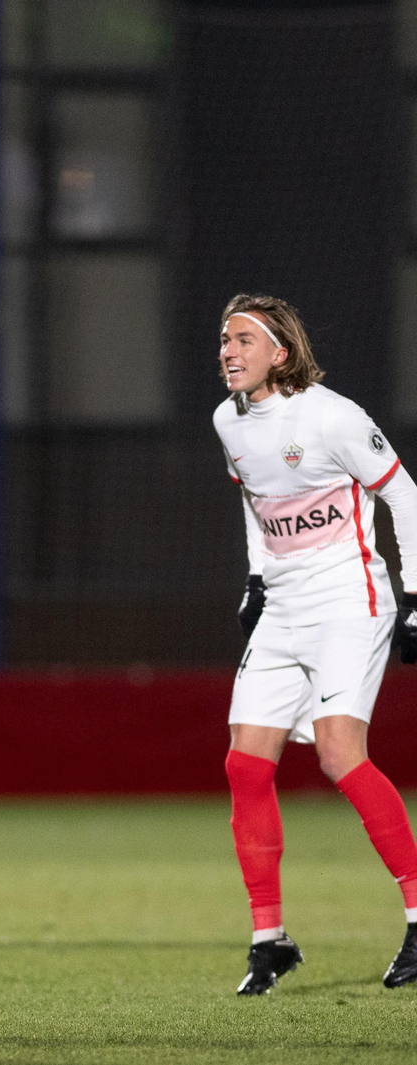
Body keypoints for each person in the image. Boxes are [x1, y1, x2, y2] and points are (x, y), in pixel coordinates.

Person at [214, 293, 417, 995]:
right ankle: (269, 940)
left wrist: (416, 596)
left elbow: (407, 496)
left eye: (243, 339)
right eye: (223, 340)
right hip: (286, 604)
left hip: (347, 599)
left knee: (338, 752)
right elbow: (254, 502)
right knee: (245, 763)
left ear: (281, 351)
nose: (228, 352)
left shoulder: (331, 416)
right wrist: (255, 578)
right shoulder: (228, 422)